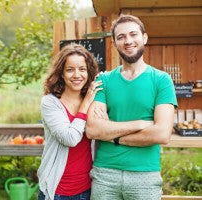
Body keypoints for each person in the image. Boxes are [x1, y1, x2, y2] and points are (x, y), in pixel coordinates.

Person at [86, 14, 178, 200]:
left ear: (144, 37)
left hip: (144, 176)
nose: (128, 41)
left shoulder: (161, 80)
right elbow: (93, 129)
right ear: (114, 43)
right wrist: (141, 124)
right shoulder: (104, 80)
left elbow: (161, 134)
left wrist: (113, 136)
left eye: (133, 34)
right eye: (121, 37)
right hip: (105, 174)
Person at [37, 43, 101, 200]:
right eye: (70, 69)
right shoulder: (50, 103)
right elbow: (70, 138)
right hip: (57, 190)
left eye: (82, 69)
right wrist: (85, 104)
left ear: (89, 72)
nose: (77, 75)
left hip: (87, 188)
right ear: (62, 74)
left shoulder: (94, 100)